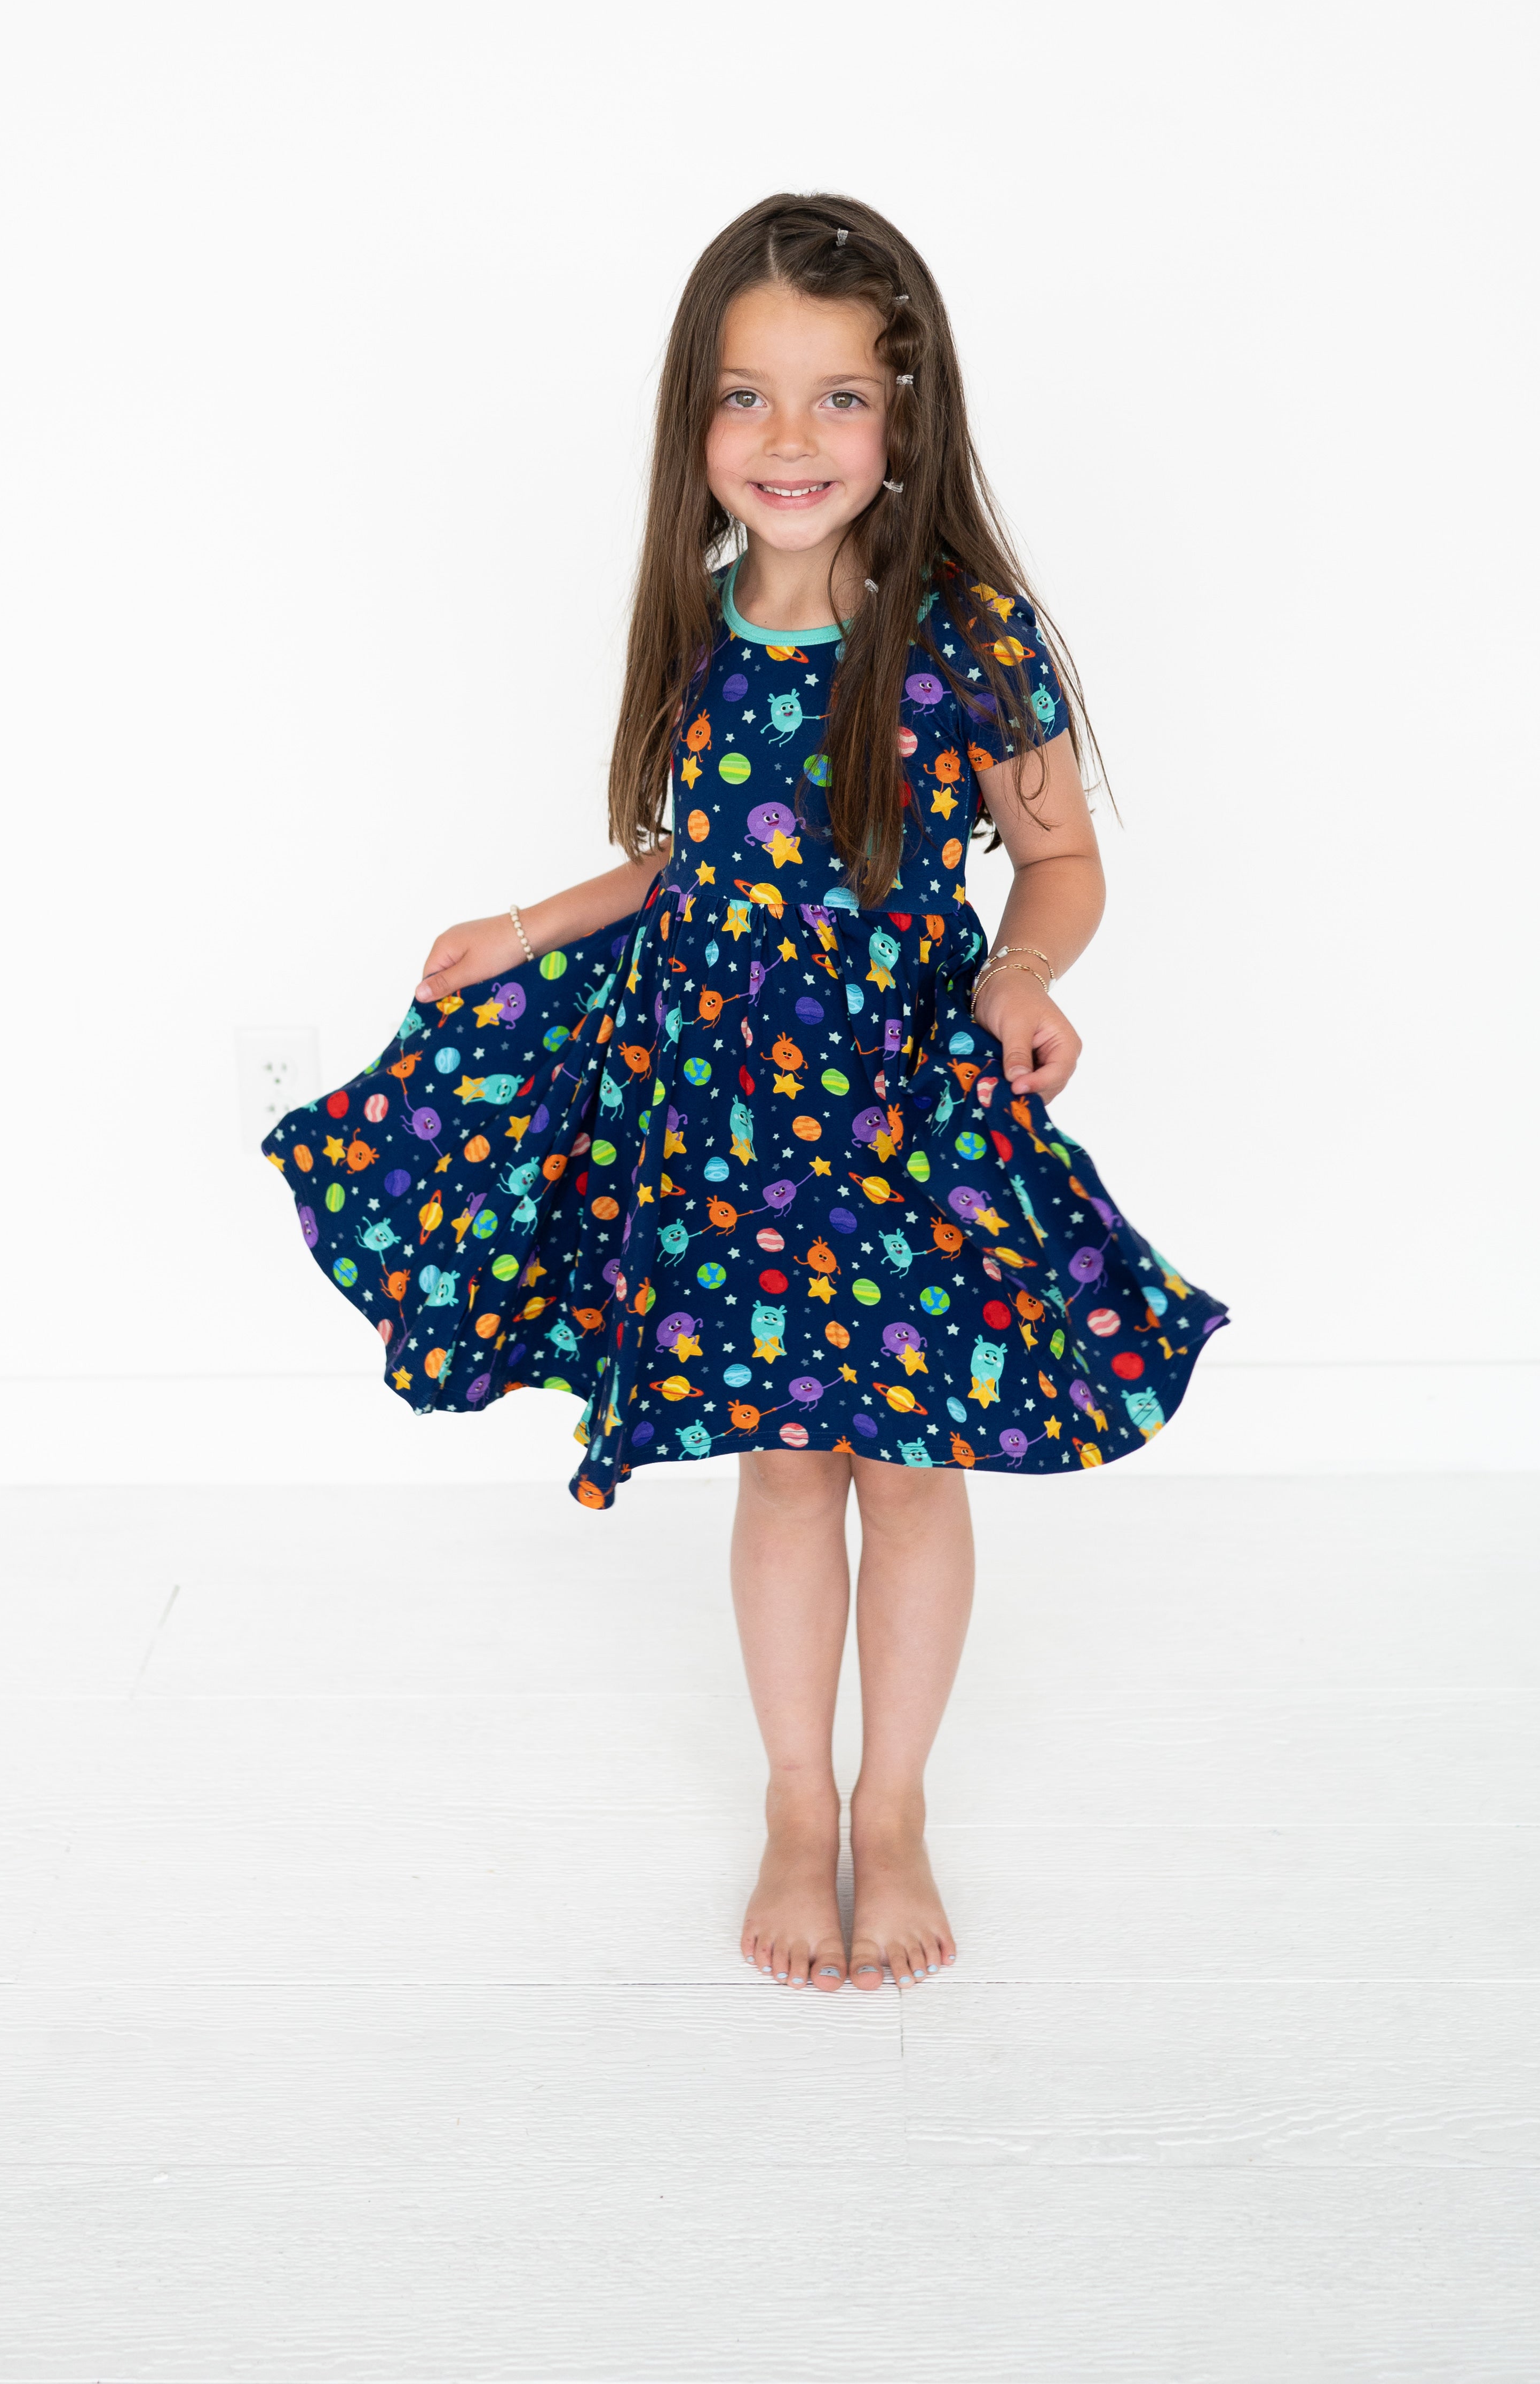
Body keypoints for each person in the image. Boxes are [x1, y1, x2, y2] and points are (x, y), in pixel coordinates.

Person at [265, 192, 1228, 1997]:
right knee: (787, 1455)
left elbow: (1063, 864)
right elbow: (685, 862)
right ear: (691, 426)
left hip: (899, 1106)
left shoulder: (961, 633)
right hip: (722, 1116)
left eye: (838, 398)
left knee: (913, 1454)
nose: (789, 441)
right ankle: (799, 1800)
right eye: (746, 398)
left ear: (906, 419)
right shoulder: (697, 623)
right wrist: (531, 920)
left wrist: (1022, 974)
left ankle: (895, 1803)